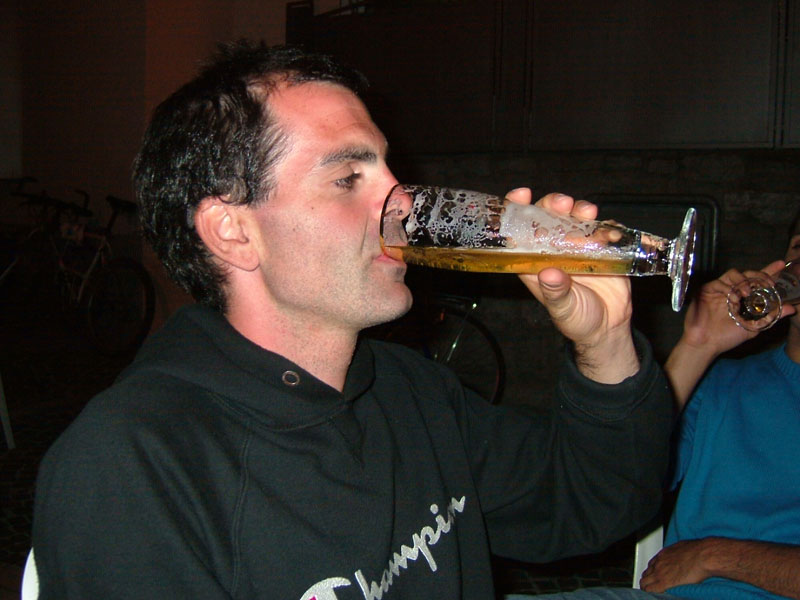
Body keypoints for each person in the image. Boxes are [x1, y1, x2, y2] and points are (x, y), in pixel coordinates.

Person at [32, 41, 672, 599]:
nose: (403, 205)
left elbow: (593, 503)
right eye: (347, 178)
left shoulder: (410, 391)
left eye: (390, 172)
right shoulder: (132, 464)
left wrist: (605, 345)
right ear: (232, 232)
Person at [531, 214, 800, 600]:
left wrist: (715, 556)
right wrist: (698, 346)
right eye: (799, 250)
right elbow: (615, 481)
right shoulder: (724, 381)